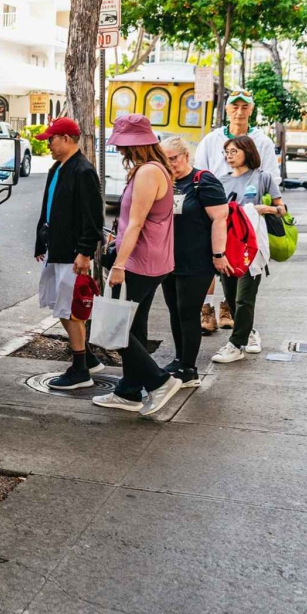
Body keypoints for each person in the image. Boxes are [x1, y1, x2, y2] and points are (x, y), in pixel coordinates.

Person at [91, 114, 182, 416]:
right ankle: (128, 391)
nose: (120, 151)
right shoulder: (159, 170)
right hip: (155, 261)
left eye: (123, 146)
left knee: (115, 329)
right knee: (135, 327)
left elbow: (136, 225)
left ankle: (159, 382)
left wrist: (118, 265)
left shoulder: (147, 173)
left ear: (136, 145)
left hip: (138, 262)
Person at [194, 89, 280, 334]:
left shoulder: (262, 141)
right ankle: (207, 309)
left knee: (240, 266)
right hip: (213, 213)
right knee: (212, 259)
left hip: (246, 218)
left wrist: (267, 207)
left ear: (251, 110)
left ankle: (229, 309)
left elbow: (272, 179)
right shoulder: (211, 140)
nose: (239, 112)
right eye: (235, 107)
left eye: (245, 107)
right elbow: (199, 174)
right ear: (227, 109)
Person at [33, 117, 105, 389]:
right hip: (56, 249)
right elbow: (48, 208)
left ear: (66, 139)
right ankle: (86, 358)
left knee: (71, 310)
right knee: (59, 306)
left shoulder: (83, 170)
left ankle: (80, 371)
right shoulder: (57, 168)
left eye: (51, 139)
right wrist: (41, 241)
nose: (48, 145)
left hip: (73, 254)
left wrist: (85, 252)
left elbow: (93, 218)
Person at [160, 136, 232, 386]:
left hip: (197, 259)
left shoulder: (203, 180)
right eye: (165, 160)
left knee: (188, 312)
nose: (171, 164)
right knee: (174, 311)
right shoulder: (166, 182)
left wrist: (218, 255)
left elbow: (220, 218)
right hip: (169, 260)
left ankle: (189, 369)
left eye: (174, 159)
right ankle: (179, 359)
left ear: (186, 156)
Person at [210, 136, 285, 364]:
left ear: (247, 152)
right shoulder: (220, 181)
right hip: (227, 246)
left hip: (252, 247)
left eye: (234, 151)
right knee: (231, 297)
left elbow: (282, 209)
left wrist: (268, 209)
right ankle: (250, 332)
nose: (229, 156)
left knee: (245, 298)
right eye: (227, 152)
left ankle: (236, 344)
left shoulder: (262, 178)